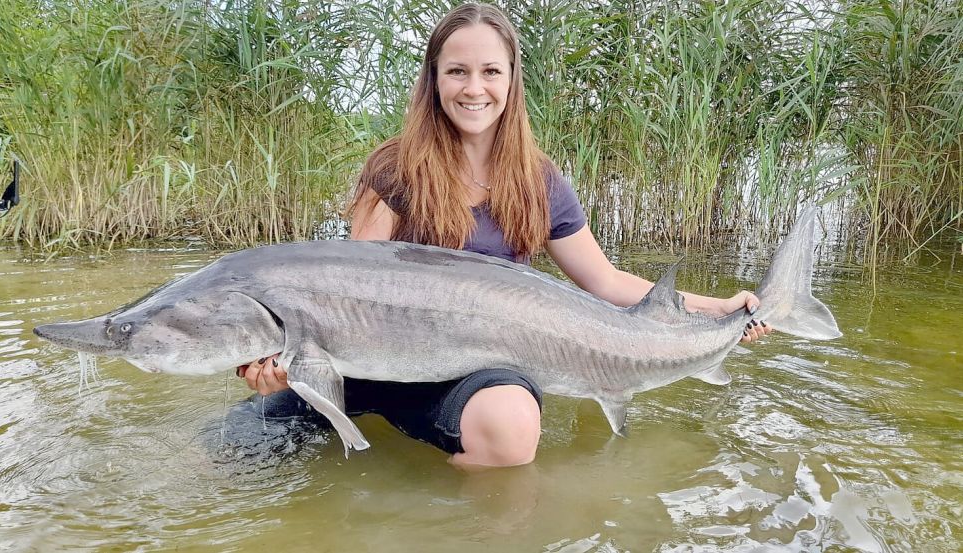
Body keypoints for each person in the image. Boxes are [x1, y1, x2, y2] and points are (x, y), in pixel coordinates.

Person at [236, 2, 771, 468]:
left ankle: (434, 517)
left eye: (491, 71)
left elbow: (605, 282)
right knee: (232, 451)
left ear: (512, 78)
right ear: (434, 79)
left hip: (468, 377)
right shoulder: (394, 169)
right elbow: (348, 289)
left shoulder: (540, 181)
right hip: (370, 368)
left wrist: (717, 308)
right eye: (457, 71)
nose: (474, 88)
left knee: (513, 433)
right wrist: (284, 361)